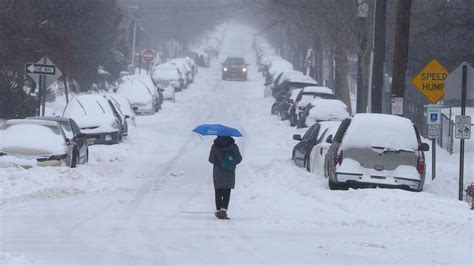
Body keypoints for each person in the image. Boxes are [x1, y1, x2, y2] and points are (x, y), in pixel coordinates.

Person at [208, 136, 242, 219]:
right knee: (227, 191)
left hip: (218, 172)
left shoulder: (215, 146)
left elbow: (211, 160)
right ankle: (224, 210)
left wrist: (218, 159)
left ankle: (219, 211)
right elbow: (239, 159)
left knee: (218, 191)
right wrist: (231, 161)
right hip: (229, 172)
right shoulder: (233, 146)